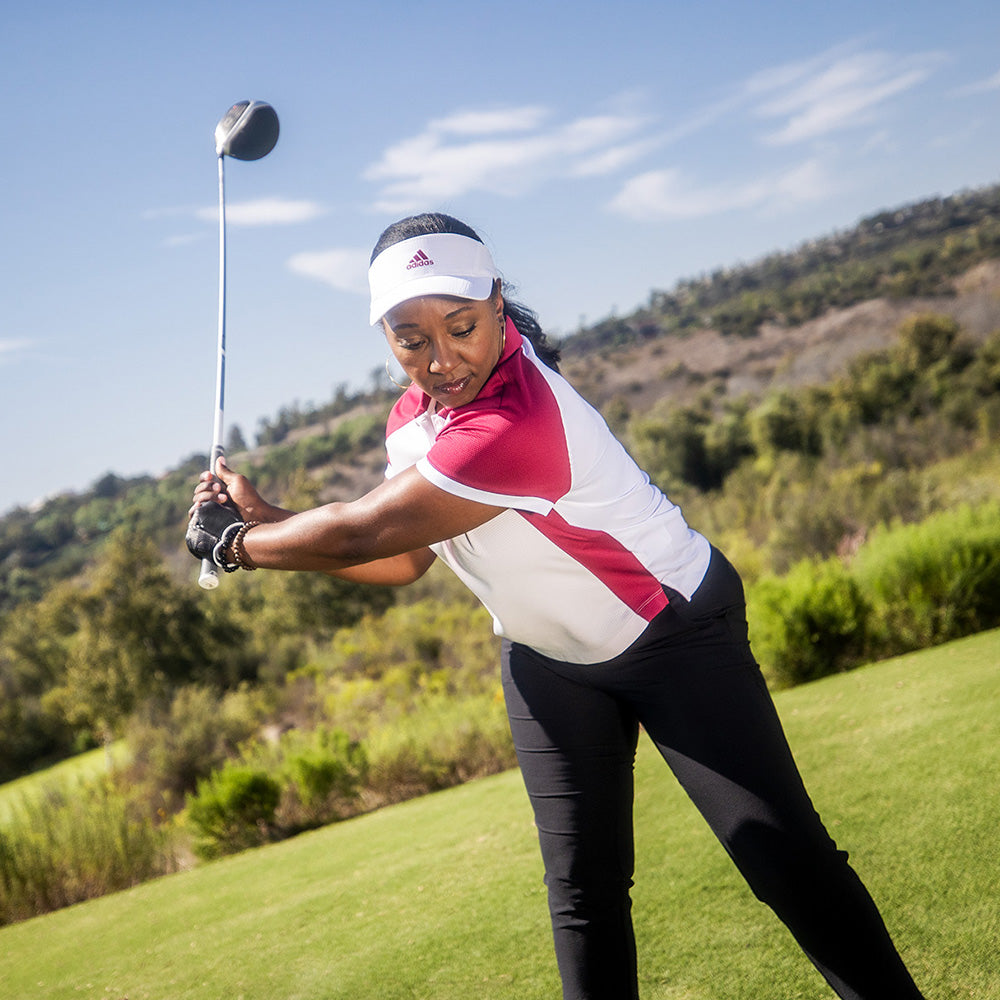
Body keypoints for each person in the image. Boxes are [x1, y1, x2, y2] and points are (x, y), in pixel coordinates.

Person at [187, 212, 926, 1000]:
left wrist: (234, 545)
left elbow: (366, 531)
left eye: (462, 327)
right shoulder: (412, 423)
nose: (441, 360)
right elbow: (401, 559)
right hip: (547, 661)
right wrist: (263, 517)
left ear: (498, 304)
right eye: (411, 339)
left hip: (673, 634)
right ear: (387, 339)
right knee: (582, 894)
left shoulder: (520, 416)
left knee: (783, 860)